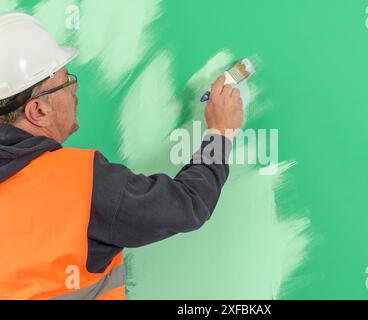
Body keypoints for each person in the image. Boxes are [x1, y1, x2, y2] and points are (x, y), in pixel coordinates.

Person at [0, 12, 243, 300]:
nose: (75, 88)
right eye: (66, 82)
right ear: (38, 111)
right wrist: (220, 133)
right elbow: (189, 203)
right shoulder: (79, 182)